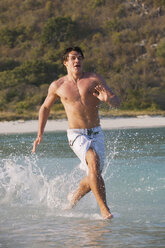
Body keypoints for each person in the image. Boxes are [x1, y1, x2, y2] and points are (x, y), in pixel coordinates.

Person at [32, 47, 120, 219]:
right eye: (73, 58)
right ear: (65, 62)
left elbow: (117, 101)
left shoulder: (94, 79)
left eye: (79, 57)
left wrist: (108, 100)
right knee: (92, 160)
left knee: (94, 174)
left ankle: (73, 197)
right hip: (76, 134)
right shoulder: (58, 85)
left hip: (96, 133)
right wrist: (39, 134)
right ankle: (105, 211)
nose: (77, 61)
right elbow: (45, 108)